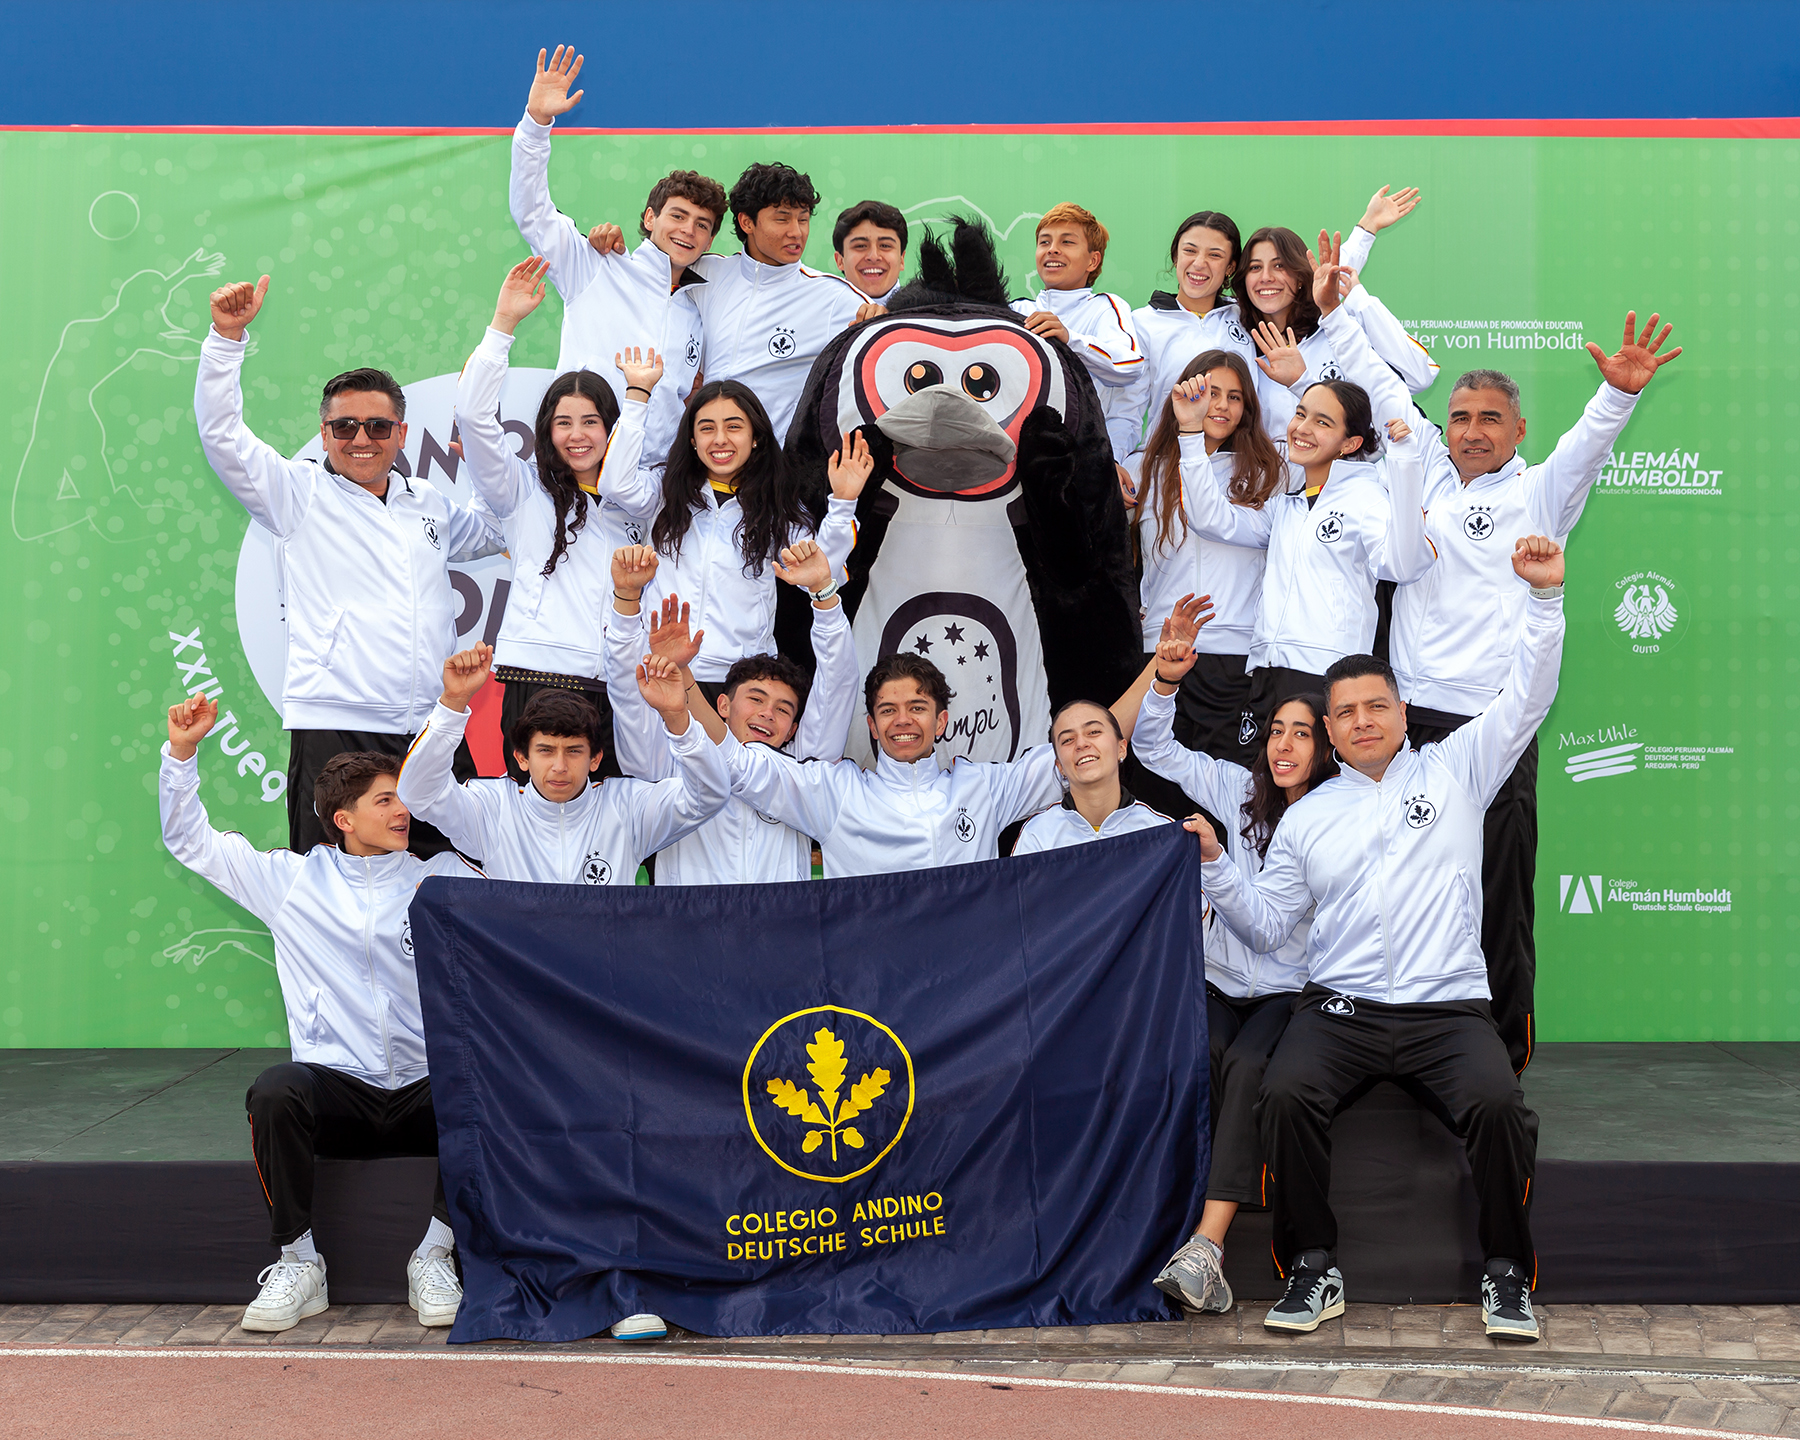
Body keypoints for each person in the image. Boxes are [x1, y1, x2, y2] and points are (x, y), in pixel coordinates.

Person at [1192, 534, 1571, 1342]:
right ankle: (1312, 1266)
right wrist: (1220, 867)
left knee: (1499, 1103)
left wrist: (1545, 600)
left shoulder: (1459, 768)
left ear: (1402, 713)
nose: (1362, 722)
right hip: (1342, 1011)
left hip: (1447, 1009)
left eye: (1376, 708)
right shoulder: (1308, 817)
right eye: (1345, 714)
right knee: (1285, 1092)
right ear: (1329, 731)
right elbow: (1267, 923)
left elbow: (1528, 695)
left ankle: (1506, 1273)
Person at [1316, 247, 1682, 1072]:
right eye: (1460, 416)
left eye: (1490, 419)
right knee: (1402, 885)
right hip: (1408, 726)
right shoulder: (1419, 473)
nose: (1472, 430)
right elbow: (1375, 380)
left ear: (1518, 431)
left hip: (1493, 725)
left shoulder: (1540, 491)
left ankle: (1500, 1054)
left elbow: (1586, 447)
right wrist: (1335, 312)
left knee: (1497, 893)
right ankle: (1397, 1045)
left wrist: (1619, 393)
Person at [159, 694, 484, 1332]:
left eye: (403, 798)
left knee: (486, 1081)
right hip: (340, 1093)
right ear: (343, 818)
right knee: (276, 1089)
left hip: (426, 1090)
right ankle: (299, 1263)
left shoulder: (444, 876)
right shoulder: (291, 881)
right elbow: (190, 842)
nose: (403, 810)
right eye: (385, 801)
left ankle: (433, 1254)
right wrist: (181, 754)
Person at [196, 275, 503, 857]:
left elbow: (495, 531)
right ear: (324, 434)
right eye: (344, 426)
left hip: (432, 726)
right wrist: (225, 340)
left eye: (378, 426)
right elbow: (222, 438)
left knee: (452, 885)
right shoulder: (297, 493)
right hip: (337, 727)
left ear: (401, 434)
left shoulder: (427, 502)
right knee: (331, 889)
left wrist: (489, 464)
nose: (361, 438)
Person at [1134, 635, 1337, 1316]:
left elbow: (1267, 929)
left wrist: (1216, 861)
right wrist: (1165, 683)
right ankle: (1167, 1229)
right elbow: (1154, 748)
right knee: (1202, 1054)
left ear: (1325, 746)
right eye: (1276, 730)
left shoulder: (1333, 815)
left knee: (1249, 1064)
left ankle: (1207, 1246)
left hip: (1289, 990)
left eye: (1301, 733)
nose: (1284, 745)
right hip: (1218, 979)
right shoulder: (1236, 785)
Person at [1177, 250, 1433, 734]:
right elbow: (1212, 519)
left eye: (1322, 423)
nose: (1301, 428)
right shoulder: (1286, 506)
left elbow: (1404, 566)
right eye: (1300, 415)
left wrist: (1403, 470)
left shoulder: (1367, 499)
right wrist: (1190, 435)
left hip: (1327, 678)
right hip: (1267, 671)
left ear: (1351, 443)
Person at [456, 258, 675, 783]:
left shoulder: (643, 497)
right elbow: (474, 419)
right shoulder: (522, 489)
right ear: (545, 430)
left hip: (621, 684)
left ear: (613, 428)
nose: (577, 436)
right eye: (563, 423)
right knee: (538, 816)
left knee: (616, 817)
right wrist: (503, 325)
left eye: (591, 422)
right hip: (540, 676)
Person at [723, 640, 1175, 876]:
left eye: (917, 708)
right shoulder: (836, 792)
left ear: (940, 722)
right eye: (888, 710)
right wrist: (685, 692)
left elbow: (1089, 740)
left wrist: (1161, 671)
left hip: (966, 993)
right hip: (873, 989)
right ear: (872, 726)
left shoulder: (981, 788)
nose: (903, 720)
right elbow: (738, 763)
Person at [509, 45, 723, 456]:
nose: (688, 230)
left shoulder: (700, 306)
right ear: (650, 218)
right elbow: (532, 212)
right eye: (678, 216)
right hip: (581, 465)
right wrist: (536, 123)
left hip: (656, 478)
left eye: (702, 224)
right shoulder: (596, 265)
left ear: (710, 240)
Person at [605, 539, 858, 882]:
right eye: (756, 699)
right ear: (723, 705)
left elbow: (838, 683)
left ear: (793, 730)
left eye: (783, 709)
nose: (768, 713)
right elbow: (627, 695)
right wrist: (626, 599)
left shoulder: (805, 772)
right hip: (690, 916)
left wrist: (823, 593)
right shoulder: (670, 763)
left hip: (779, 917)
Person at [598, 375, 864, 689]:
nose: (720, 439)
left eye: (734, 427)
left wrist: (843, 503)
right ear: (692, 439)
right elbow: (615, 484)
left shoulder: (778, 505)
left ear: (756, 436)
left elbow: (823, 572)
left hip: (741, 682)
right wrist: (637, 396)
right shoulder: (665, 489)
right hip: (662, 671)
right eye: (707, 428)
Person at [395, 646, 729, 892]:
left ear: (595, 759)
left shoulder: (628, 807)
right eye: (545, 750)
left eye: (573, 751)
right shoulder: (492, 808)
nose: (559, 766)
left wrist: (677, 717)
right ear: (521, 758)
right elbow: (418, 793)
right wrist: (453, 702)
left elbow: (710, 794)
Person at [589, 161, 866, 444]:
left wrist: (879, 316)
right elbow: (655, 270)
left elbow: (886, 343)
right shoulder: (705, 272)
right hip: (703, 457)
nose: (796, 232)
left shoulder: (833, 297)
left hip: (773, 463)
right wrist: (612, 246)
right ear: (747, 222)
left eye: (803, 219)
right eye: (782, 219)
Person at [1134, 349, 1287, 764]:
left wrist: (1189, 438)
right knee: (1154, 780)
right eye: (1210, 392)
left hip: (1232, 654)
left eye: (1234, 397)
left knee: (1227, 783)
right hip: (1159, 648)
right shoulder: (1145, 469)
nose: (1221, 406)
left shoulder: (1269, 471)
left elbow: (1211, 520)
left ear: (1247, 408)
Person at [1237, 188, 1435, 439]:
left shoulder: (1338, 328)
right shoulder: (1234, 332)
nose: (1266, 277)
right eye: (1255, 267)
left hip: (1348, 462)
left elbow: (1419, 377)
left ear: (1300, 276)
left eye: (1279, 265)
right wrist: (1367, 227)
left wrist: (1358, 297)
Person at [1009, 202, 1147, 468]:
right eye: (1044, 242)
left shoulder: (1105, 307)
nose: (1052, 249)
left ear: (1093, 261)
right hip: (1018, 460)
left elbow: (1130, 366)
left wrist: (1070, 339)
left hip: (1080, 461)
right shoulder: (1016, 310)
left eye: (1067, 242)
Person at [1011, 698, 1176, 853]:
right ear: (1060, 766)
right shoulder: (1037, 835)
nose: (1081, 744)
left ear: (1121, 749)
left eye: (1094, 732)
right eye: (1068, 740)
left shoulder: (1161, 831)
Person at [833, 199, 908, 311]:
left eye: (885, 246)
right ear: (839, 261)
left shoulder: (924, 313)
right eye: (860, 246)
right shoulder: (820, 314)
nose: (873, 257)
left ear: (901, 259)